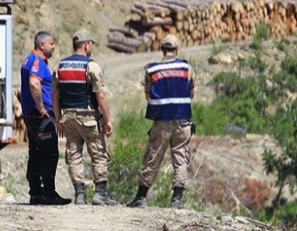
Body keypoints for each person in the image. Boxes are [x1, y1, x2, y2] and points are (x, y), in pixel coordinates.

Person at [127, 34, 195, 209]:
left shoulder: (151, 70)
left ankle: (141, 197)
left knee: (153, 156)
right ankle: (177, 200)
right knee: (180, 158)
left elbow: (148, 96)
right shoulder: (187, 68)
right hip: (182, 119)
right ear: (177, 49)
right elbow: (191, 93)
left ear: (162, 49)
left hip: (161, 121)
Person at [53, 29, 118, 206]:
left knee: (73, 155)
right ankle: (100, 194)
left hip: (69, 118)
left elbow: (55, 96)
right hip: (88, 117)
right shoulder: (92, 66)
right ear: (87, 45)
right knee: (99, 154)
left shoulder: (60, 66)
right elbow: (101, 96)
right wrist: (107, 120)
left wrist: (59, 120)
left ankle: (80, 195)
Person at [20, 30, 71, 206]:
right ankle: (48, 193)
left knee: (35, 153)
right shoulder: (36, 62)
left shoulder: (30, 60)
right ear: (42, 45)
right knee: (50, 154)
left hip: (31, 116)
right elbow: (34, 83)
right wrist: (41, 107)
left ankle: (36, 194)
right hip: (40, 117)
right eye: (51, 43)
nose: (54, 46)